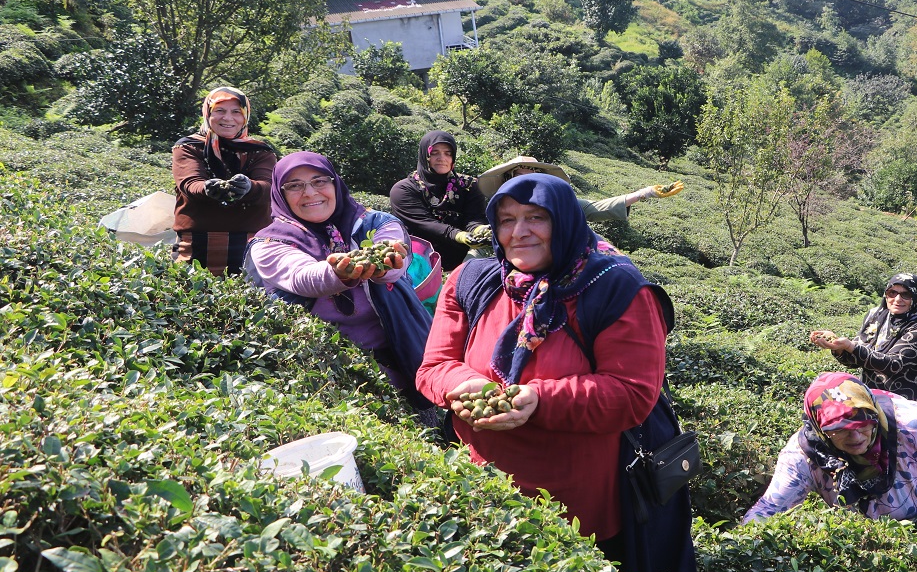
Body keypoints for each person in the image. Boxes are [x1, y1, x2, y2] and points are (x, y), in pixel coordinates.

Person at [416, 173, 697, 572]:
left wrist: (539, 399)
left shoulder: (617, 288)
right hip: (483, 486)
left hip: (579, 500)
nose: (519, 232)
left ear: (565, 220)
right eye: (507, 219)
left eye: (536, 217)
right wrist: (462, 386)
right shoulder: (471, 281)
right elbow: (434, 367)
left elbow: (633, 393)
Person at [246, 151, 434, 415]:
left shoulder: (376, 222)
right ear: (280, 193)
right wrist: (340, 272)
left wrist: (385, 265)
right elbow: (302, 277)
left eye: (319, 181)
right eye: (295, 185)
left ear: (335, 183)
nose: (310, 193)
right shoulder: (269, 243)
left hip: (402, 349)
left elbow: (394, 261)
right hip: (325, 368)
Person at [743, 372, 917, 555]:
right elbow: (769, 508)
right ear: (819, 429)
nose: (856, 437)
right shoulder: (803, 454)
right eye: (840, 429)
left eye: (863, 423)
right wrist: (739, 546)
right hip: (886, 525)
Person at [811, 273, 917, 417]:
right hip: (880, 403)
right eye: (892, 293)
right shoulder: (876, 316)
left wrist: (850, 347)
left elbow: (894, 364)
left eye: (906, 295)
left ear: (916, 297)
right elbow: (857, 359)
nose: (897, 299)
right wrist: (839, 348)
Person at [171, 86, 277, 275]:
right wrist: (208, 188)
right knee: (191, 290)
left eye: (236, 112)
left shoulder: (259, 151)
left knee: (250, 292)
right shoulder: (189, 147)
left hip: (251, 244)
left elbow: (268, 187)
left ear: (245, 116)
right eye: (220, 110)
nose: (228, 118)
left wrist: (249, 187)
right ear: (208, 113)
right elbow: (189, 183)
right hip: (195, 244)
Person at [389, 131, 490, 272]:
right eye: (434, 153)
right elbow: (425, 224)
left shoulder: (469, 186)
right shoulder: (404, 189)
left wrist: (480, 230)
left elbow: (474, 218)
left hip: (462, 263)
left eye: (448, 153)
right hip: (418, 265)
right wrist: (459, 235)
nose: (442, 158)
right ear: (424, 155)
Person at [476, 156, 685, 223]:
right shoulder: (497, 207)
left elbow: (595, 208)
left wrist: (644, 193)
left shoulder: (557, 204)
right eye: (519, 177)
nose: (526, 183)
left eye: (533, 177)